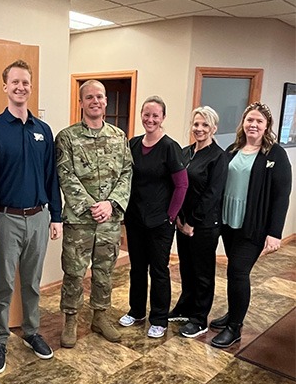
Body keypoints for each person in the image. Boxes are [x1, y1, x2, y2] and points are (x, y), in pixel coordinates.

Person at [0, 60, 62, 373]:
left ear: (30, 86)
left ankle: (32, 332)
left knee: (33, 283)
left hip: (39, 217)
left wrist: (56, 216)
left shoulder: (43, 130)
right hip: (5, 219)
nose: (21, 87)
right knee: (2, 285)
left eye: (25, 82)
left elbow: (51, 175)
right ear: (5, 87)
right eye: (15, 82)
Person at [56, 79, 132, 348]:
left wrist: (111, 204)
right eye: (89, 97)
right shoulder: (67, 137)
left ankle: (100, 316)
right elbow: (65, 174)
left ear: (106, 101)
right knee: (74, 272)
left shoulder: (118, 136)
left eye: (99, 97)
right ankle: (70, 319)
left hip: (110, 220)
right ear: (81, 103)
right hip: (80, 220)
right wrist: (91, 205)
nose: (95, 101)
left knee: (105, 271)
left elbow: (126, 173)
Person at [210, 102, 292, 348]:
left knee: (238, 272)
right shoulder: (233, 149)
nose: (253, 125)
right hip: (228, 221)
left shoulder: (275, 154)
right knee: (233, 270)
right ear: (243, 124)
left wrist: (274, 233)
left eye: (259, 121)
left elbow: (281, 195)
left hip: (253, 224)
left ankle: (235, 328)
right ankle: (232, 314)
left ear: (267, 126)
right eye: (249, 120)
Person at [119, 96, 188, 338]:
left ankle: (159, 318)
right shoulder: (134, 144)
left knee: (159, 270)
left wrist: (170, 217)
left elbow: (182, 185)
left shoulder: (170, 147)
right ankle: (136, 311)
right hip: (135, 219)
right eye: (146, 114)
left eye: (155, 115)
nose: (150, 119)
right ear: (141, 115)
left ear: (163, 118)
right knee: (136, 268)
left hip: (160, 222)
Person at [168, 107, 227, 337]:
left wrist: (192, 221)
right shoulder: (184, 153)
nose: (199, 129)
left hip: (204, 224)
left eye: (205, 125)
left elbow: (213, 194)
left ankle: (199, 318)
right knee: (186, 267)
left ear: (213, 128)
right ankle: (185, 306)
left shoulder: (218, 156)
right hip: (182, 222)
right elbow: (178, 186)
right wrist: (179, 218)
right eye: (196, 124)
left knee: (202, 271)